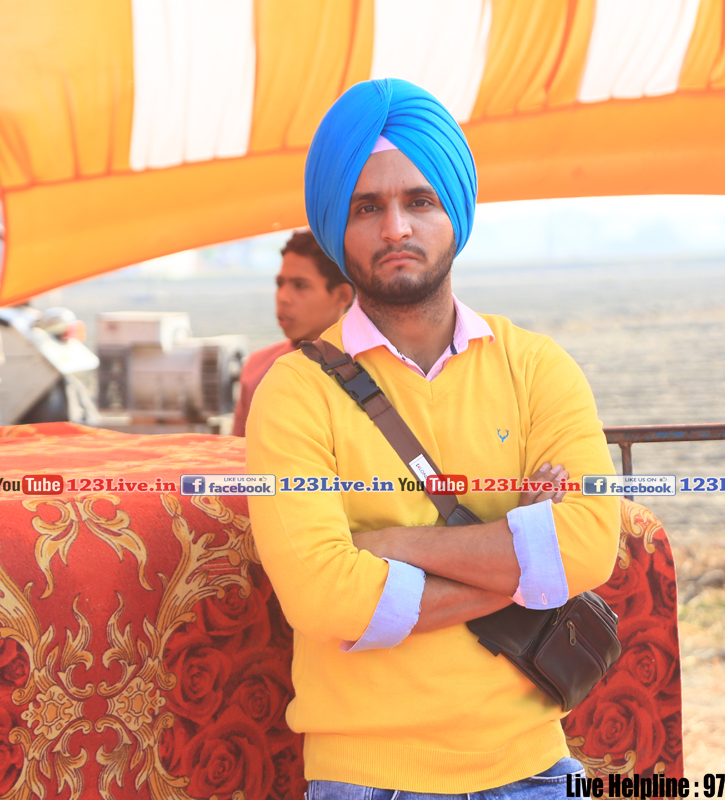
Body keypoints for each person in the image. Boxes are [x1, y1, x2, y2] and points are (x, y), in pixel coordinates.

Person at [245, 77, 618, 796]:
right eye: (367, 207)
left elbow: (587, 545)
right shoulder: (295, 393)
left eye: (419, 201)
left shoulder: (535, 367)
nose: (395, 229)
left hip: (535, 769)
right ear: (337, 227)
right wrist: (523, 562)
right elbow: (325, 598)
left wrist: (391, 546)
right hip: (368, 778)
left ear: (455, 211)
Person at [231, 230, 353, 437]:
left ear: (342, 296)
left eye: (300, 285)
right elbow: (237, 451)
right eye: (280, 284)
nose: (283, 297)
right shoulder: (256, 369)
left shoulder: (372, 368)